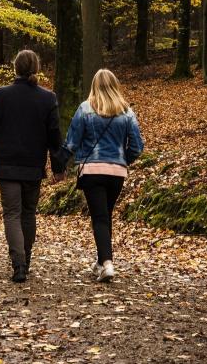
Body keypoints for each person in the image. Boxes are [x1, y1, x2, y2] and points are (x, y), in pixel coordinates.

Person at [0, 50, 64, 283]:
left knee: (12, 214)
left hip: (7, 165)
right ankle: (25, 260)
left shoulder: (0, 95)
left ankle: (18, 263)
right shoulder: (47, 98)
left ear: (15, 68)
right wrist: (58, 166)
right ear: (36, 69)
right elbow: (54, 136)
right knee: (28, 213)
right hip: (32, 165)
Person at [58, 69, 144, 283]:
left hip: (92, 171)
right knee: (105, 215)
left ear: (94, 85)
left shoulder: (85, 109)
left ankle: (107, 263)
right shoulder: (126, 112)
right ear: (115, 85)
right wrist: (124, 160)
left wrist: (58, 164)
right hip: (116, 173)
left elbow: (71, 143)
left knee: (100, 217)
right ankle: (101, 262)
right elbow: (137, 147)